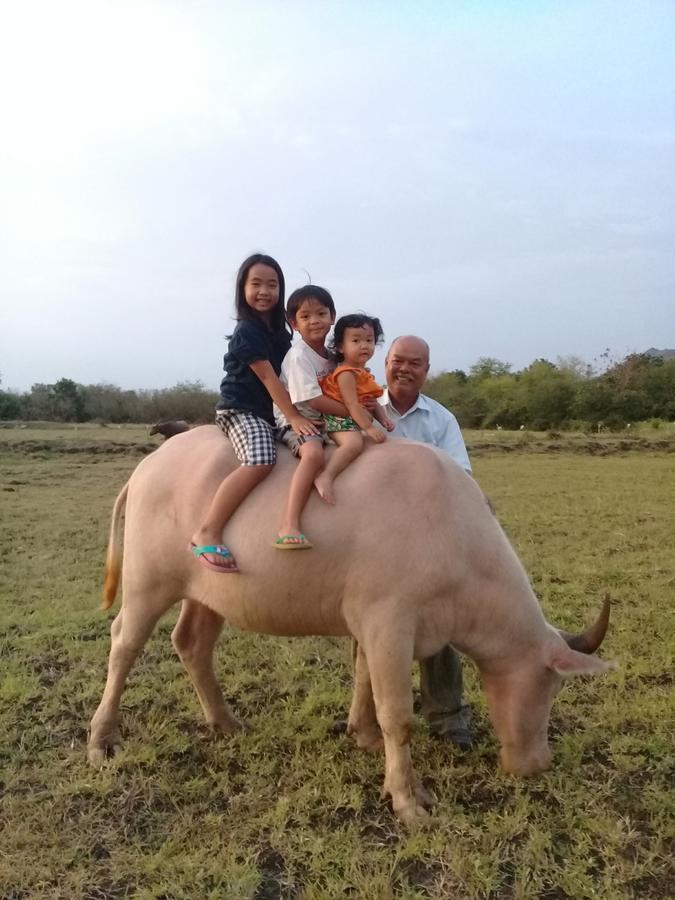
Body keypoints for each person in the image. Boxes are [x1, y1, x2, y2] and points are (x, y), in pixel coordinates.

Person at [190, 254, 318, 573]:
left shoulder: (280, 334)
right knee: (261, 459)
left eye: (272, 285)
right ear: (242, 289)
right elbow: (268, 378)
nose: (265, 291)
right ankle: (207, 531)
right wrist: (296, 417)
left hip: (272, 412)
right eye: (256, 284)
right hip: (242, 409)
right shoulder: (247, 332)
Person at [380, 334, 474, 748]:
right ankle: (364, 715)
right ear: (385, 363)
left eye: (414, 363)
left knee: (438, 622)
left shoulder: (441, 420)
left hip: (428, 536)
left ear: (426, 370)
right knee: (372, 630)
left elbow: (462, 480)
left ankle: (448, 717)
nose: (405, 368)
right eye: (398, 360)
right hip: (375, 540)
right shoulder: (359, 407)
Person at [274, 285, 343, 548]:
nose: (314, 321)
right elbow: (312, 399)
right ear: (294, 323)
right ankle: (289, 523)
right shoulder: (299, 356)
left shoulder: (331, 357)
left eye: (321, 313)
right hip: (297, 419)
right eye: (305, 316)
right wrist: (352, 411)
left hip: (322, 418)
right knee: (313, 454)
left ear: (332, 316)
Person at [313, 314, 394, 504]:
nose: (364, 345)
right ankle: (327, 476)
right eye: (356, 340)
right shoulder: (346, 373)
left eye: (369, 340)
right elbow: (352, 404)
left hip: (356, 417)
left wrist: (384, 420)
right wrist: (369, 428)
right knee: (354, 444)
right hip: (338, 419)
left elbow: (372, 402)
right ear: (341, 347)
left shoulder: (364, 373)